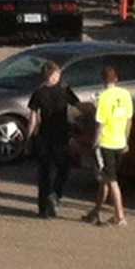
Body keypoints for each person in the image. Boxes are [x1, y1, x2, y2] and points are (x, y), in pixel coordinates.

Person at [25, 61, 79, 219]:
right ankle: (55, 194)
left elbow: (33, 118)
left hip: (43, 136)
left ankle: (43, 209)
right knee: (63, 167)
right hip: (61, 136)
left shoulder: (38, 93)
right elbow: (77, 105)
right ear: (54, 75)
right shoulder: (64, 90)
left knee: (44, 173)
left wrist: (29, 138)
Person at [82, 65, 132, 227]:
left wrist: (94, 142)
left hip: (107, 142)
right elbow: (128, 120)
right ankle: (95, 211)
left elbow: (101, 123)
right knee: (105, 179)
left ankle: (120, 214)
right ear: (116, 79)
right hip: (120, 141)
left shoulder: (103, 97)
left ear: (103, 80)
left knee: (111, 180)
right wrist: (126, 139)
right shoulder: (125, 95)